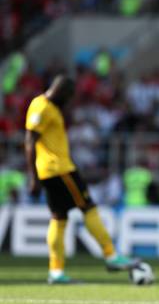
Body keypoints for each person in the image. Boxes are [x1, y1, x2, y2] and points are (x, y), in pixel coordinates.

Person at [25, 75, 139, 284]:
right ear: (62, 92)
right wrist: (32, 177)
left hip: (49, 171)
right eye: (69, 97)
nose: (69, 102)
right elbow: (30, 142)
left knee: (59, 218)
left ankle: (56, 272)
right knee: (88, 207)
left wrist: (37, 176)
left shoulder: (45, 106)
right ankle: (111, 256)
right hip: (60, 170)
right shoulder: (42, 108)